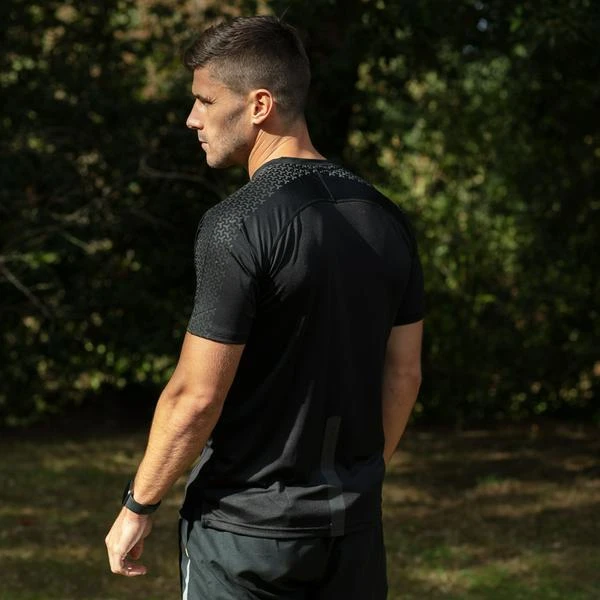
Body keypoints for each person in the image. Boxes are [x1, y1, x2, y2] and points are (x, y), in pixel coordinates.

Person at [105, 15, 424, 599]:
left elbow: (196, 396)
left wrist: (138, 504)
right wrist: (353, 478)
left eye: (205, 100)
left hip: (243, 536)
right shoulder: (386, 218)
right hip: (351, 533)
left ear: (258, 105)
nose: (192, 118)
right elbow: (404, 374)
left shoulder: (239, 222)